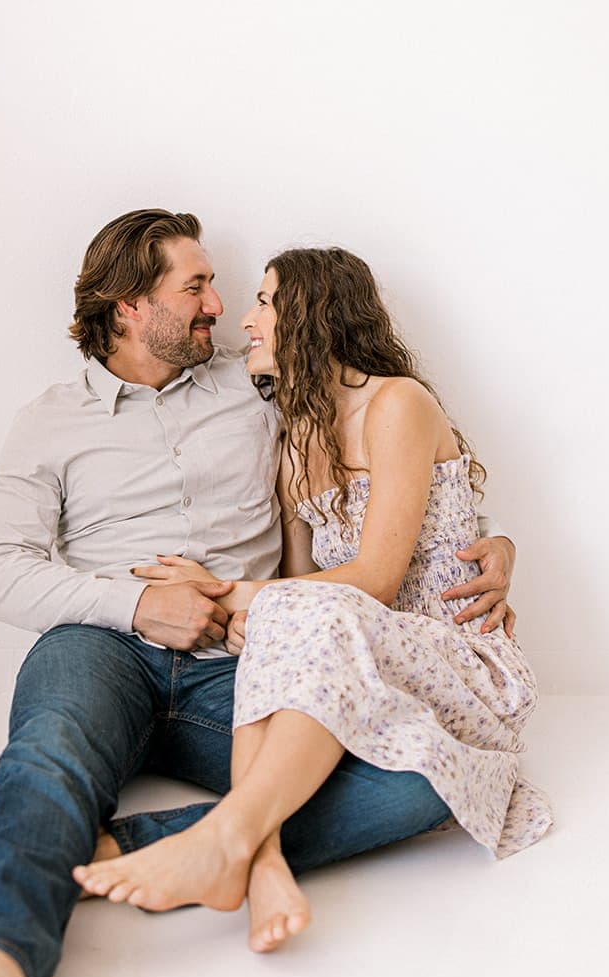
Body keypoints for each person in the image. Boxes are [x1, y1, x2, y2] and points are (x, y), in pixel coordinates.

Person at [0, 212, 519, 977]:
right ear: (132, 306)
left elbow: (389, 496)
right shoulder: (49, 423)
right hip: (103, 648)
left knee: (417, 781)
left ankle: (147, 846)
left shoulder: (263, 394)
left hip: (249, 663)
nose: (219, 304)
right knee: (46, 764)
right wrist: (141, 604)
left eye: (227, 289)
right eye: (196, 287)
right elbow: (0, 576)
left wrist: (495, 549)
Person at [73, 248, 551, 934]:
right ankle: (260, 863)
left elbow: (376, 581)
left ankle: (211, 842)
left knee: (294, 610)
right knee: (283, 614)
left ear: (312, 313)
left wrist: (226, 592)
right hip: (364, 664)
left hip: (454, 663)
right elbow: (300, 588)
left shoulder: (396, 404)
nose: (246, 318)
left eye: (264, 302)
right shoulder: (298, 437)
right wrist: (252, 612)